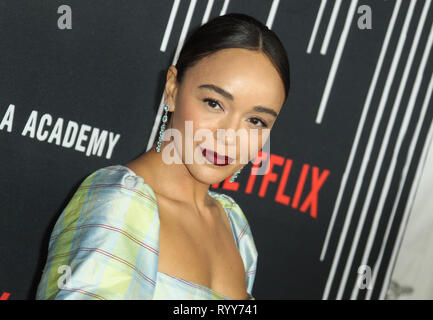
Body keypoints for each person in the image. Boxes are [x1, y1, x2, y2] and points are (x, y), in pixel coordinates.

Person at [36, 12, 290, 300]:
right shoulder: (122, 202)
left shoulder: (235, 228)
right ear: (172, 89)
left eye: (256, 121)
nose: (230, 136)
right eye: (214, 103)